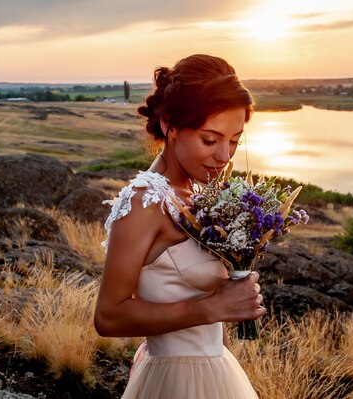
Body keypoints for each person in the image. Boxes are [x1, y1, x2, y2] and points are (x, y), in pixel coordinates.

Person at [94, 54, 265, 398]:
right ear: (171, 126)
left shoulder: (199, 192)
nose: (224, 156)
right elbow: (108, 317)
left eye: (234, 140)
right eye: (210, 139)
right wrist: (213, 307)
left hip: (214, 372)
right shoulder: (144, 201)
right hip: (174, 380)